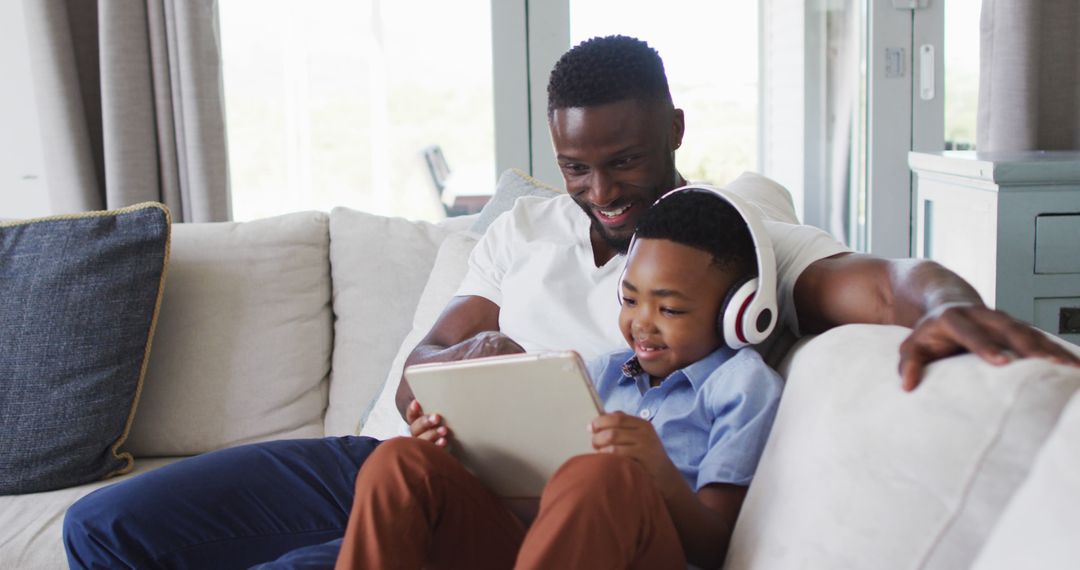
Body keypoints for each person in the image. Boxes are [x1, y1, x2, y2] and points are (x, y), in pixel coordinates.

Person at [64, 35, 1079, 569]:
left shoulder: (728, 241)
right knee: (104, 534)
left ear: (675, 126)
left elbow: (876, 281)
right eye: (577, 167)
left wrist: (943, 295)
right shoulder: (523, 231)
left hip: (547, 519)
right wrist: (457, 373)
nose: (600, 190)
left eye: (624, 159)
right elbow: (428, 357)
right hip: (394, 465)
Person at [335, 189, 783, 569]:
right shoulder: (602, 372)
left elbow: (716, 546)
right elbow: (539, 504)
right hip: (551, 548)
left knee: (604, 477)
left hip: (646, 553)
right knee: (401, 462)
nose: (642, 324)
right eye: (629, 300)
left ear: (736, 312)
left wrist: (658, 473)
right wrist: (460, 453)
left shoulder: (741, 386)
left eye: (669, 309)